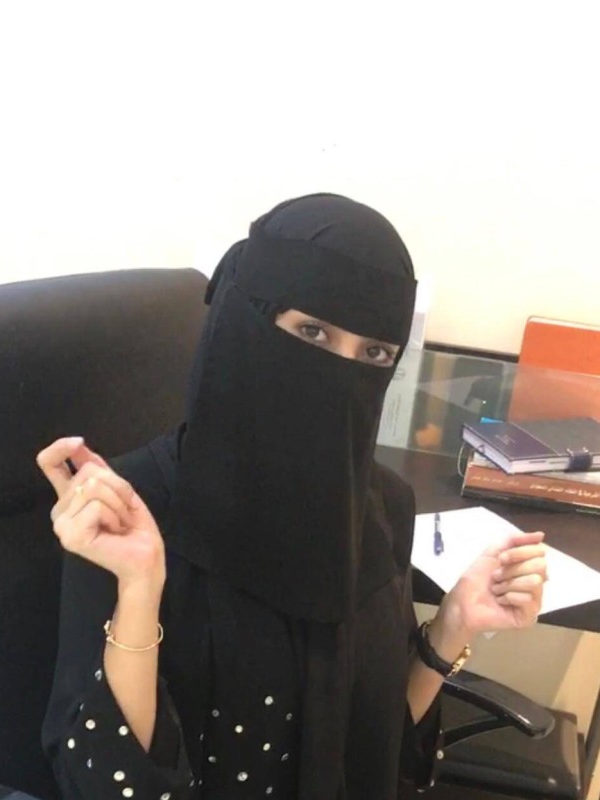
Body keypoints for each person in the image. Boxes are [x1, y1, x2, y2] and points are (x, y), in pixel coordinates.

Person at [37, 194, 547, 800]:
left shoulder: (380, 508)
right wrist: (141, 587)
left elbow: (377, 758)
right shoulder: (128, 511)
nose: (340, 374)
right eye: (312, 331)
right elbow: (105, 784)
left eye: (374, 353)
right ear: (246, 321)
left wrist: (451, 629)